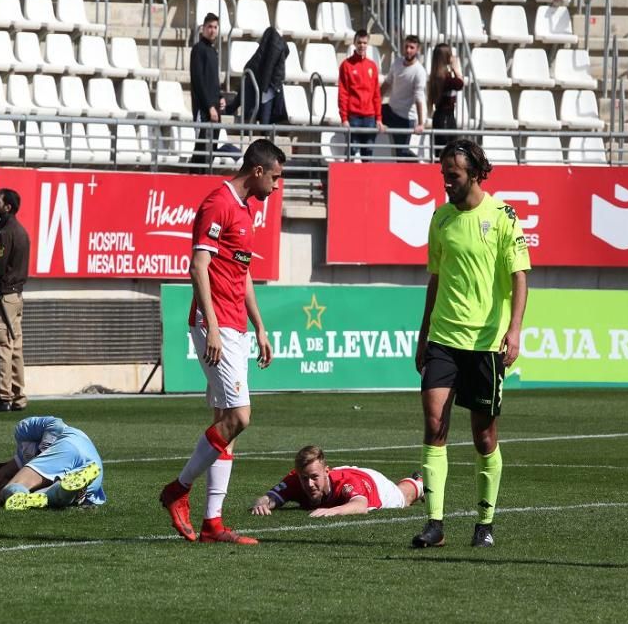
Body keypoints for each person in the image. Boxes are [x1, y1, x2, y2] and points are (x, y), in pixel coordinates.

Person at [159, 138, 284, 545]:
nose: (278, 187)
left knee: (223, 423)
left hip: (236, 326)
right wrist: (211, 325)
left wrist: (260, 327)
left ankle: (213, 523)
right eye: (277, 178)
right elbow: (198, 267)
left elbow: (242, 273)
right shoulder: (218, 203)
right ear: (258, 171)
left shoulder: (247, 212)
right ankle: (178, 490)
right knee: (240, 417)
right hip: (216, 326)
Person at [411, 139, 530, 549]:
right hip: (444, 338)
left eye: (454, 176)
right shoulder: (441, 218)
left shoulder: (502, 216)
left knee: (483, 435)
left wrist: (513, 331)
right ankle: (435, 523)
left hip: (485, 344)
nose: (446, 182)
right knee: (434, 425)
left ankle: (485, 521)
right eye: (444, 175)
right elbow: (436, 277)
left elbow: (519, 278)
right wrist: (424, 332)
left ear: (476, 174)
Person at [250, 445, 424, 517]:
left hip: (372, 484)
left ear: (326, 472)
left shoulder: (346, 483)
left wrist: (333, 511)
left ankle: (419, 483)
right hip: (351, 473)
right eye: (304, 478)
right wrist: (262, 504)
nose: (309, 484)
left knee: (404, 497)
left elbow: (360, 505)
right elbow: (267, 497)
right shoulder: (295, 479)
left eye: (314, 477)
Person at [0, 415, 106, 511]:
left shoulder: (21, 433)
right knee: (49, 496)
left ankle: (10, 492)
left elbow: (56, 424)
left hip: (70, 443)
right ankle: (70, 492)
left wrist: (42, 453)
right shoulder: (37, 480)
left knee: (13, 489)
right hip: (94, 474)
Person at [0, 188, 30, 412]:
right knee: (15, 347)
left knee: (1, 345)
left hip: (5, 295)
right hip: (17, 295)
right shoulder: (21, 231)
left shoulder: (6, 233)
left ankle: (2, 397)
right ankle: (18, 396)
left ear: (7, 207)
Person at [338, 29, 384, 160]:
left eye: (364, 43)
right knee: (351, 152)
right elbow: (343, 93)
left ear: (367, 44)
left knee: (368, 153)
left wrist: (379, 118)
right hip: (354, 117)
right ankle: (348, 180)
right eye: (359, 42)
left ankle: (367, 180)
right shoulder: (346, 65)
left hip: (370, 117)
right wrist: (344, 118)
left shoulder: (372, 66)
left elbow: (376, 94)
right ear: (354, 43)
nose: (362, 45)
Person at [189, 12, 226, 166]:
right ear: (203, 28)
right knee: (202, 148)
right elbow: (199, 81)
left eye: (215, 27)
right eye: (209, 27)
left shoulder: (213, 51)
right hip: (203, 109)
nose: (212, 30)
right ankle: (195, 179)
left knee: (212, 147)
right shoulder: (198, 49)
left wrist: (220, 96)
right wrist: (209, 106)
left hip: (214, 109)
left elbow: (213, 80)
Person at [381, 35, 426, 161]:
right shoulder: (397, 62)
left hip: (405, 118)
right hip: (390, 110)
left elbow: (418, 98)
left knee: (401, 153)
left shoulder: (419, 71)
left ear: (417, 50)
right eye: (406, 46)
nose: (408, 50)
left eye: (412, 47)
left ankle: (418, 165)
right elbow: (387, 83)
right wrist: (374, 103)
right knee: (366, 118)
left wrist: (421, 123)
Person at [237, 26, 288, 125]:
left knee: (265, 113)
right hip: (269, 87)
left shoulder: (269, 52)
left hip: (269, 87)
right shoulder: (277, 50)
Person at [426, 44, 464, 162]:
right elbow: (460, 84)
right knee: (447, 153)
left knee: (446, 152)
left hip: (444, 116)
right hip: (445, 118)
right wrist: (456, 69)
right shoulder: (442, 78)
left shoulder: (438, 75)